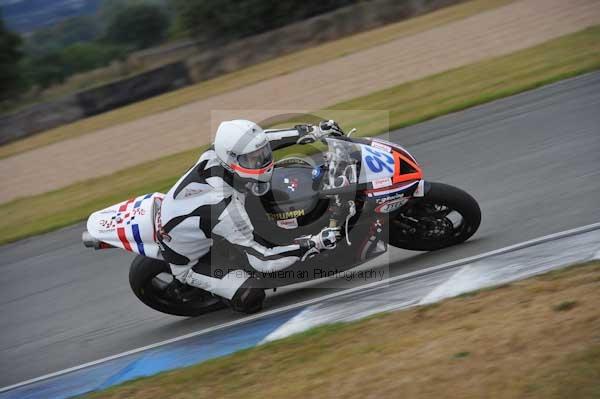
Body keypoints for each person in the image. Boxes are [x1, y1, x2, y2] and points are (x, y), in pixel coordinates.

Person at [157, 119, 344, 313]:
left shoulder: (219, 153)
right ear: (231, 160)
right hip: (192, 260)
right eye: (253, 159)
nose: (262, 160)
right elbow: (263, 261)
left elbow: (266, 139)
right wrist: (313, 244)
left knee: (272, 193)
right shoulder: (223, 208)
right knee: (251, 296)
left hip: (200, 219)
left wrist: (313, 131)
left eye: (262, 154)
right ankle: (218, 287)